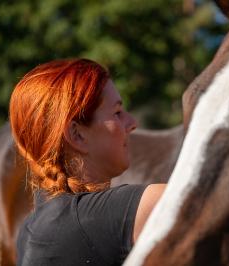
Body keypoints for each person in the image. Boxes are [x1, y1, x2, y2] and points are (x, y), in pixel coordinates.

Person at [10, 58, 165, 266]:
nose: (132, 123)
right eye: (117, 113)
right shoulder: (98, 220)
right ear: (77, 135)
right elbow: (203, 195)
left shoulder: (27, 230)